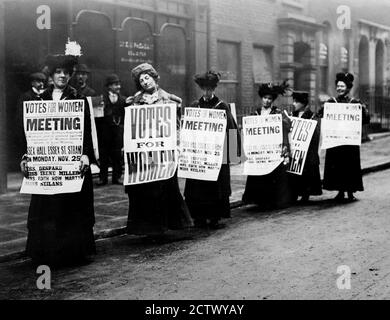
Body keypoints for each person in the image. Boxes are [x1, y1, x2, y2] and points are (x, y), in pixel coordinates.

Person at [20, 52, 96, 268]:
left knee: (71, 208)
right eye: (58, 72)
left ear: (71, 75)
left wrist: (85, 154)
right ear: (51, 75)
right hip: (47, 165)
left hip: (70, 163)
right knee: (48, 208)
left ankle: (72, 252)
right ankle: (46, 252)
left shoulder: (78, 99)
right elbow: (30, 133)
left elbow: (87, 131)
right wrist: (26, 156)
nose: (62, 76)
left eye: (66, 72)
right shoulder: (39, 100)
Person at [125, 63, 193, 239]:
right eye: (141, 80)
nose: (145, 82)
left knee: (166, 188)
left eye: (147, 78)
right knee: (145, 189)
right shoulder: (135, 102)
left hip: (165, 153)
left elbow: (177, 127)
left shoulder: (170, 100)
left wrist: (178, 146)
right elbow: (131, 128)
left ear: (154, 78)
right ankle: (150, 228)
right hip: (144, 153)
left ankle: (169, 225)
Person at [184, 70, 240, 229]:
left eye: (210, 89)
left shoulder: (222, 106)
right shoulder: (196, 105)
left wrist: (232, 154)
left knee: (215, 186)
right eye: (204, 89)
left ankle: (214, 216)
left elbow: (231, 129)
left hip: (217, 153)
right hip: (200, 153)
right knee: (198, 185)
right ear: (201, 89)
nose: (207, 92)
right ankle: (199, 216)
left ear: (214, 89)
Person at [317, 72, 370, 202]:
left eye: (343, 86)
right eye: (338, 86)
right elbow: (321, 115)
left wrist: (363, 110)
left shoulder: (355, 103)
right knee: (337, 164)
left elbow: (364, 120)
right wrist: (324, 109)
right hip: (335, 140)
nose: (339, 88)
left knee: (350, 164)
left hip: (349, 141)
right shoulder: (331, 102)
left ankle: (350, 191)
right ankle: (340, 191)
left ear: (348, 88)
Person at [242, 81, 294, 210]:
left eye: (270, 98)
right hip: (260, 149)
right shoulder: (256, 113)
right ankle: (259, 200)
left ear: (273, 100)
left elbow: (288, 125)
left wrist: (282, 120)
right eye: (265, 98)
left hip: (273, 149)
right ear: (261, 98)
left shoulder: (277, 113)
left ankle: (273, 200)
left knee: (273, 173)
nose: (267, 101)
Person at [289, 91, 322, 203]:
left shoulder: (311, 116)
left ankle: (305, 194)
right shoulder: (292, 115)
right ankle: (294, 193)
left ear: (303, 103)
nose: (294, 104)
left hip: (307, 150)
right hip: (295, 148)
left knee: (306, 172)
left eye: (296, 101)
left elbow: (316, 134)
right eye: (294, 101)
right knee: (293, 171)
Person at [96, 74, 126, 186]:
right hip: (104, 132)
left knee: (117, 156)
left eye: (119, 84)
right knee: (103, 156)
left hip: (117, 132)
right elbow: (97, 117)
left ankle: (116, 177)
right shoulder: (101, 99)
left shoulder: (123, 100)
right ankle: (102, 178)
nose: (118, 86)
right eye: (115, 84)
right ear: (109, 86)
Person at [16, 72, 47, 153]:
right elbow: (20, 117)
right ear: (32, 83)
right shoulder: (26, 97)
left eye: (43, 81)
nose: (41, 84)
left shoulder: (45, 96)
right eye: (38, 81)